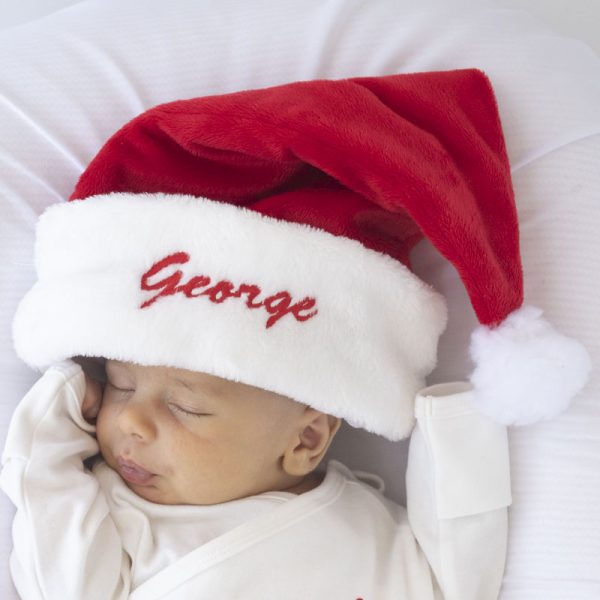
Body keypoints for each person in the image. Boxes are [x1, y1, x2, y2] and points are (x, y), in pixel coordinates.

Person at [1, 69, 591, 599]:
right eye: (121, 385)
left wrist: (460, 426)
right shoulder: (120, 515)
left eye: (185, 406)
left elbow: (462, 573)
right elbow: (54, 560)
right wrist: (57, 410)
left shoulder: (375, 532)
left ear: (307, 438)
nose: (128, 420)